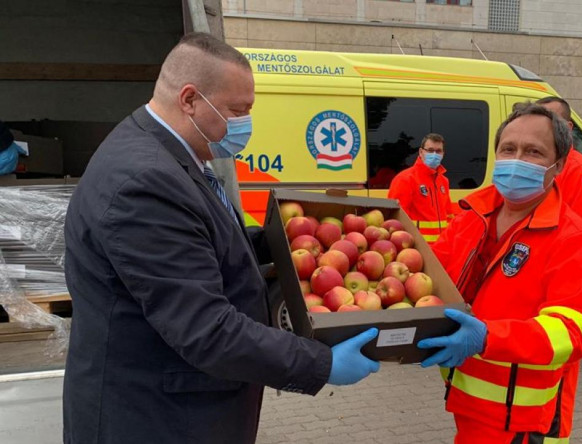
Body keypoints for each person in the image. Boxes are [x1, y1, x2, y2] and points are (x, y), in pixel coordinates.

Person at [63, 33, 379, 444]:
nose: (245, 123)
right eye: (237, 110)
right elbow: (205, 328)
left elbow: (201, 241)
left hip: (176, 410)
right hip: (157, 420)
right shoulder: (145, 182)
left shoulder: (165, 154)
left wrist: (282, 237)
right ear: (190, 99)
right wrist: (320, 363)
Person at [418, 103, 582, 443]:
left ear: (559, 165)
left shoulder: (576, 239)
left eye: (533, 151)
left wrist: (488, 338)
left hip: (524, 422)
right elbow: (426, 278)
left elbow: (576, 329)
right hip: (468, 406)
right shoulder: (471, 218)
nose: (517, 159)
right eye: (509, 149)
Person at [536, 97, 582, 228]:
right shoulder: (537, 161)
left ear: (568, 127)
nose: (541, 127)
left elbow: (581, 229)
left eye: (550, 121)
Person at [388, 133, 453, 244]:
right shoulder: (405, 179)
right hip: (418, 248)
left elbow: (449, 217)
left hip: (441, 248)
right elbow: (396, 218)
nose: (434, 154)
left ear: (443, 154)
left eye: (438, 151)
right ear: (421, 152)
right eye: (430, 150)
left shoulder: (443, 181)